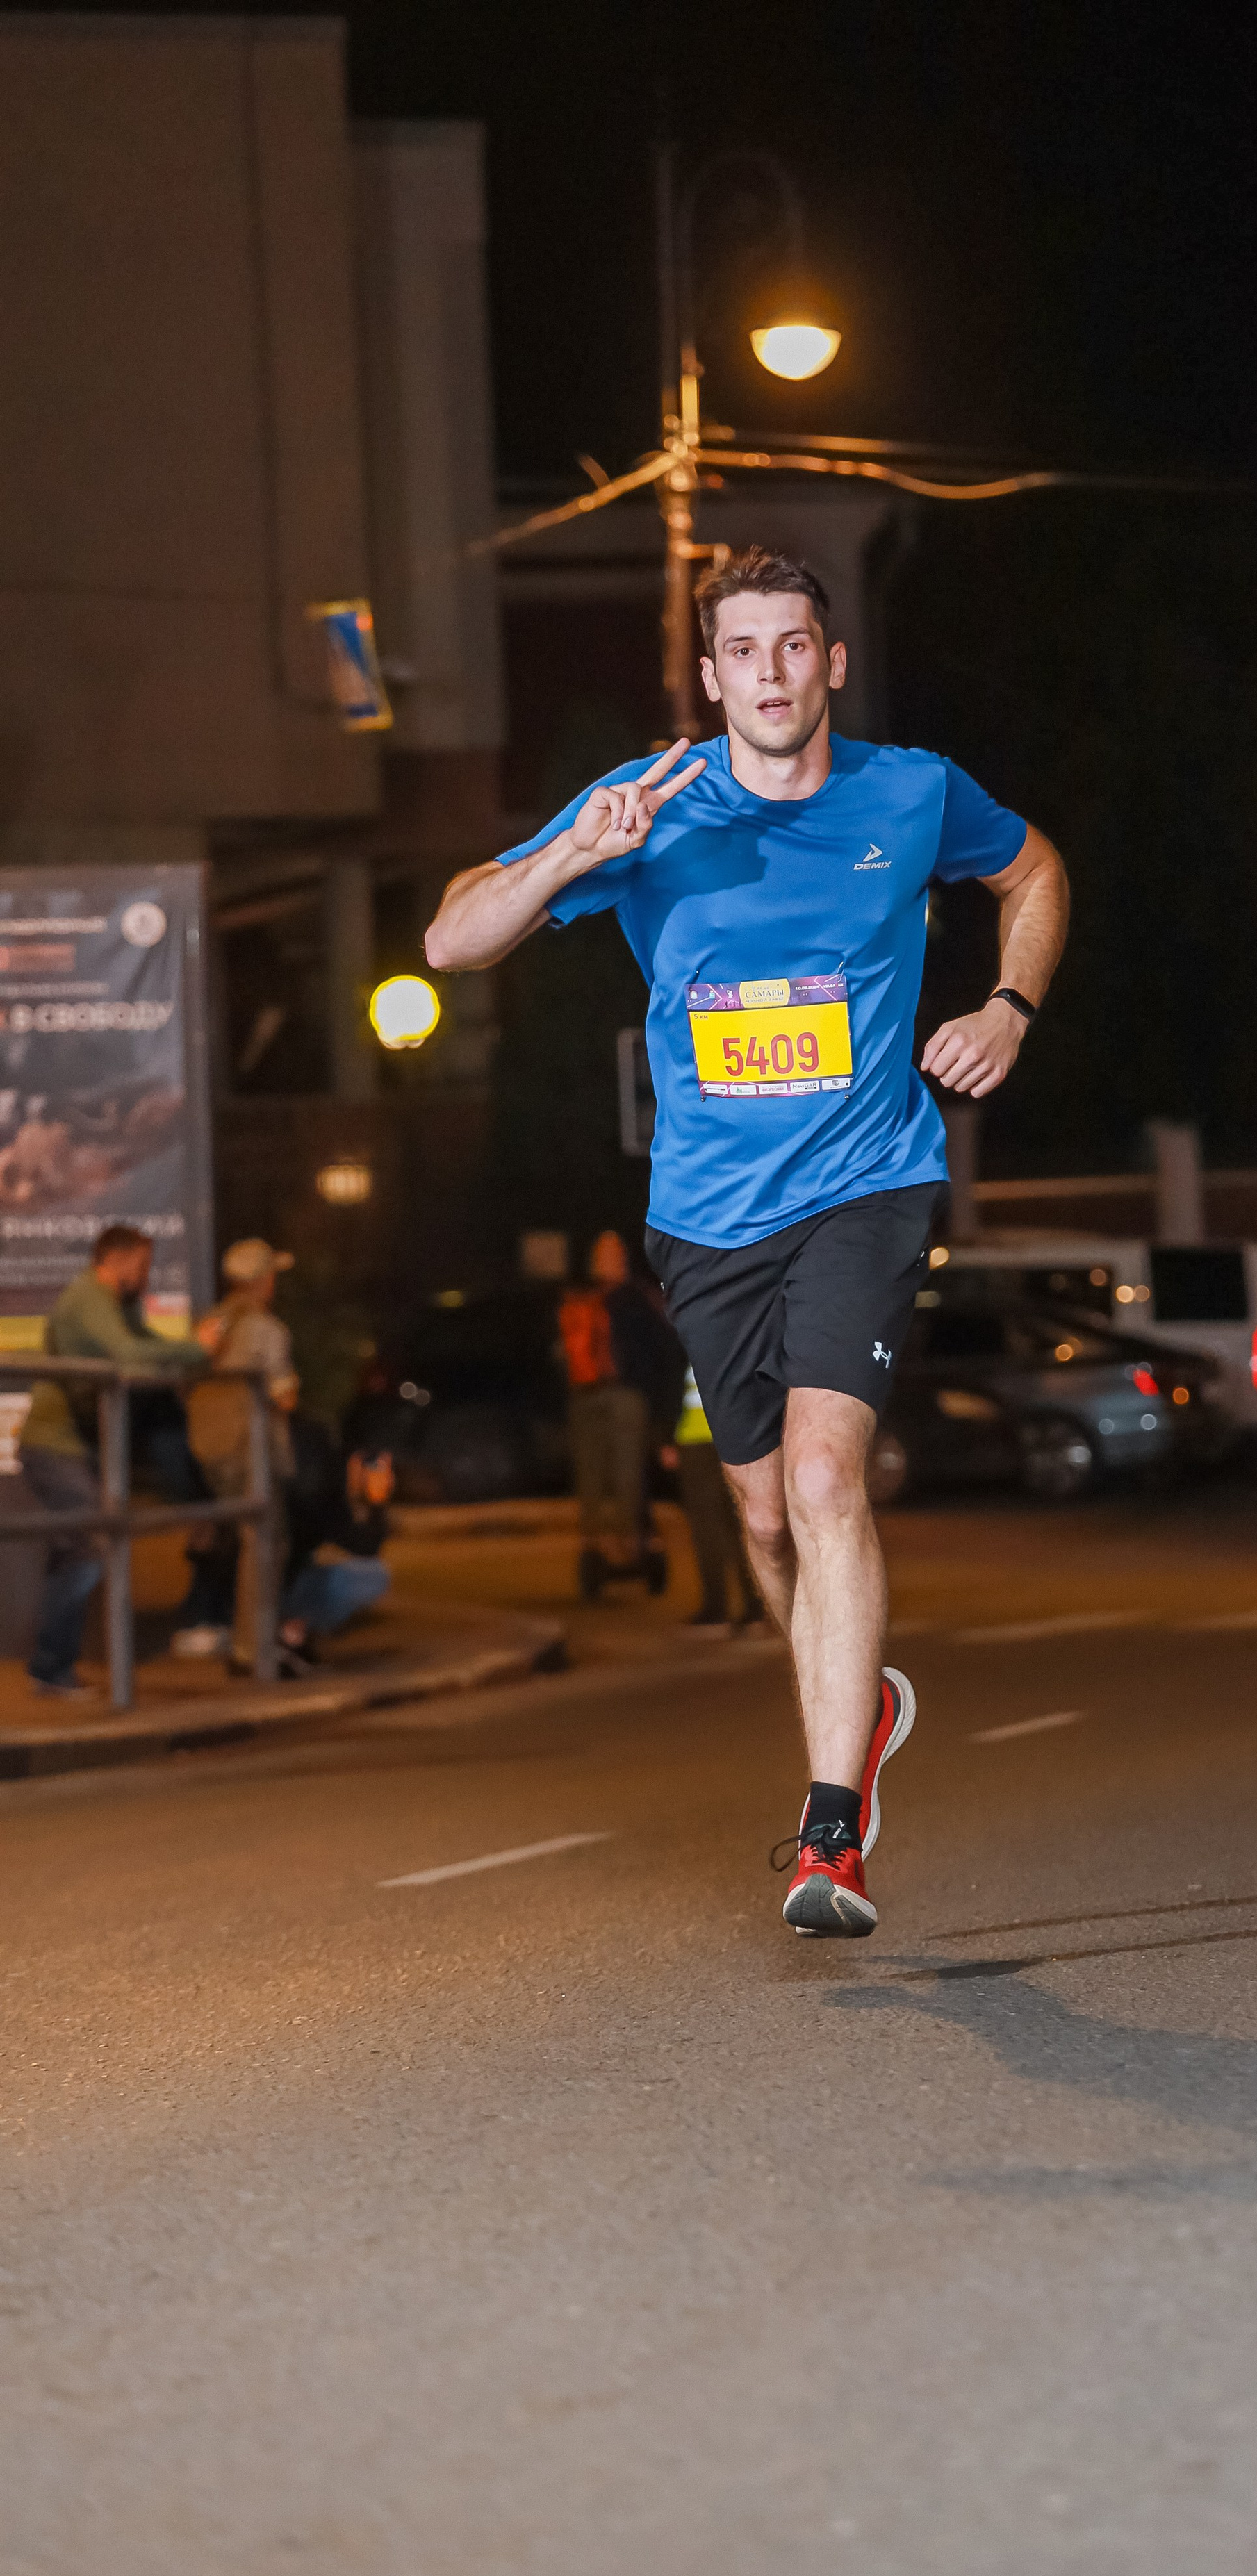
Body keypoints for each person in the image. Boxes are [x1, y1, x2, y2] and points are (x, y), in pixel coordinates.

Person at [427, 543, 1069, 1935]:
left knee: (830, 1483)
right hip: (705, 1219)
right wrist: (566, 860)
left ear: (828, 662)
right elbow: (448, 942)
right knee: (766, 1516)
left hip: (866, 1184)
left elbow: (1033, 872)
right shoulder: (643, 809)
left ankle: (829, 1836)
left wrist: (1007, 1005)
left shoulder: (910, 792)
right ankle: (865, 1709)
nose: (771, 674)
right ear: (708, 675)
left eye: (795, 646)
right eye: (744, 652)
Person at [17, 1222, 220, 1699]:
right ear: (119, 1259)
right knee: (90, 1547)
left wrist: (186, 1356)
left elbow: (146, 1346)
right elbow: (131, 1356)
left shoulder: (115, 1304)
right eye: (144, 1265)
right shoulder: (88, 1299)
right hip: (55, 1445)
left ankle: (51, 1666)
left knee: (77, 1551)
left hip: (72, 1446)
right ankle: (50, 1666)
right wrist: (197, 1349)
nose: (147, 1274)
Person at [182, 1239, 301, 1671]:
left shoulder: (210, 1323)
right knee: (267, 1543)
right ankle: (255, 1649)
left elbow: (185, 1379)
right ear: (264, 1281)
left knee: (245, 1541)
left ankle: (244, 1640)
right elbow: (283, 1396)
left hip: (211, 1449)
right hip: (252, 1448)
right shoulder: (267, 1330)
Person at [558, 1231, 681, 1596]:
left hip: (626, 1396)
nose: (606, 1261)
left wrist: (661, 1416)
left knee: (628, 1476)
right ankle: (597, 1545)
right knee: (592, 1477)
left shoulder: (638, 1300)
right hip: (587, 1396)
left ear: (624, 1259)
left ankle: (629, 1546)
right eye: (601, 1254)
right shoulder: (584, 1298)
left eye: (613, 1254)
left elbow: (664, 1356)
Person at [661, 1362, 766, 1637]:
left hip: (705, 1441)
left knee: (714, 1527)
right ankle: (751, 1606)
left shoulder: (689, 1330)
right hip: (726, 1437)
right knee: (736, 1525)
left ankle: (723, 1607)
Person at [279, 1410, 393, 1662]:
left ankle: (288, 1632)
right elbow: (365, 1546)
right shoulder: (314, 1490)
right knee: (371, 1576)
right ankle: (290, 1635)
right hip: (269, 1587)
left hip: (254, 1583)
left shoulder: (289, 1478)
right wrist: (375, 1502)